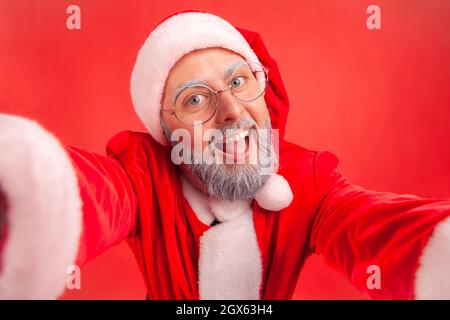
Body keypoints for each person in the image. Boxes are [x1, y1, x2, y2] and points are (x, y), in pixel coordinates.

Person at [0, 11, 449, 300]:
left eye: (238, 82)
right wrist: (25, 192)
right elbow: (94, 192)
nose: (233, 113)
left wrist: (437, 248)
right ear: (167, 131)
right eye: (196, 100)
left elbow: (373, 228)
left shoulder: (308, 181)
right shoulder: (143, 178)